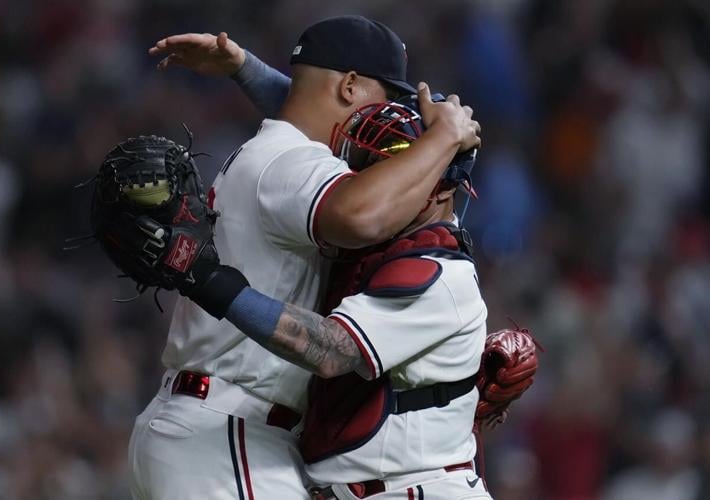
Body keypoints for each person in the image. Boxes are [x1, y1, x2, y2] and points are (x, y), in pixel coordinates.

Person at [128, 16, 481, 500]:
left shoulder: (281, 149)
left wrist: (244, 67)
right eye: (387, 99)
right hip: (228, 435)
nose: (389, 124)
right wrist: (444, 139)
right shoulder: (291, 160)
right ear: (351, 85)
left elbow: (311, 112)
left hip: (215, 429)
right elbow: (363, 216)